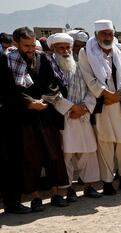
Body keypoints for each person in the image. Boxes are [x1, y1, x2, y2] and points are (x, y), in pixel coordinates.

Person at [8, 27, 71, 211]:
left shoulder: (43, 58)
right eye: (25, 45)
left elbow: (53, 84)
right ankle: (35, 197)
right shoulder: (7, 61)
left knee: (53, 155)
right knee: (30, 158)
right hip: (23, 116)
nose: (29, 49)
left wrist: (43, 101)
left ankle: (56, 193)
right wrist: (29, 102)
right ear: (15, 43)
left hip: (45, 112)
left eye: (31, 45)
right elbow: (8, 89)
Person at [79, 19, 121, 194]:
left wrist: (119, 96)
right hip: (103, 103)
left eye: (110, 33)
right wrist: (106, 94)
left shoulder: (119, 52)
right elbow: (88, 77)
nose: (107, 37)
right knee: (105, 142)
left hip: (119, 103)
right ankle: (107, 182)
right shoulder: (86, 52)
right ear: (96, 34)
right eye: (104, 33)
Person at [48, 33, 103, 200]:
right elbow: (50, 92)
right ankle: (69, 188)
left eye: (68, 48)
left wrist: (84, 107)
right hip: (64, 117)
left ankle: (89, 185)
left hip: (82, 116)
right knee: (67, 154)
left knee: (88, 152)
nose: (65, 51)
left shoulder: (79, 66)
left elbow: (91, 89)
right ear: (53, 49)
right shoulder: (49, 68)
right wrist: (70, 108)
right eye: (61, 48)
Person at [0, 45, 30, 213]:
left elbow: (14, 89)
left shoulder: (8, 59)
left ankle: (12, 202)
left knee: (10, 162)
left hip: (8, 118)